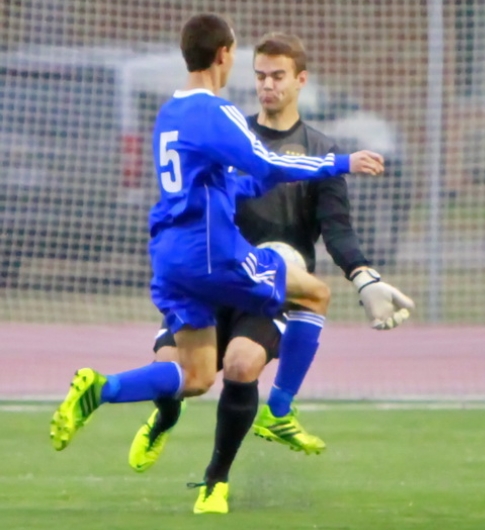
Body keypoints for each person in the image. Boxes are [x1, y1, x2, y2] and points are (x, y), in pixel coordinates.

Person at [48, 14, 385, 454]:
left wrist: (258, 181)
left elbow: (225, 181)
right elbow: (265, 162)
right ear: (224, 54)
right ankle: (280, 412)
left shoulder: (169, 112)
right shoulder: (217, 111)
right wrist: (341, 162)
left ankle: (101, 388)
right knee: (313, 293)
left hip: (170, 256)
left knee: (196, 375)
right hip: (212, 253)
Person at [127, 32, 414, 514]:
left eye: (277, 76)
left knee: (240, 365)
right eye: (259, 76)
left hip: (271, 290)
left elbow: (337, 231)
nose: (267, 86)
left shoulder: (320, 150)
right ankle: (163, 417)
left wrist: (363, 275)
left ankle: (215, 481)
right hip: (216, 278)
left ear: (301, 81)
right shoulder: (229, 132)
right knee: (170, 371)